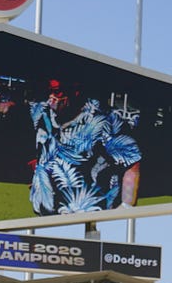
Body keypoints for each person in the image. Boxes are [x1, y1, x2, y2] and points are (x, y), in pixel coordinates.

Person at [28, 79, 142, 215]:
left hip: (88, 215)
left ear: (75, 92)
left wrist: (126, 208)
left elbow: (132, 162)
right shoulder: (42, 113)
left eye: (57, 92)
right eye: (49, 91)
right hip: (46, 214)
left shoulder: (104, 120)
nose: (51, 98)